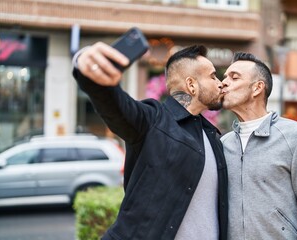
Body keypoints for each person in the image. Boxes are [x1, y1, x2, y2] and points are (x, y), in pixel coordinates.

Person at [72, 43, 228, 240]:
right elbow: (116, 106)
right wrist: (87, 68)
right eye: (213, 76)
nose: (220, 82)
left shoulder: (212, 135)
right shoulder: (153, 119)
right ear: (191, 85)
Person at [220, 52, 297, 240]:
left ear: (257, 88)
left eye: (234, 77)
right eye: (224, 77)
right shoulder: (223, 144)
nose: (223, 83)